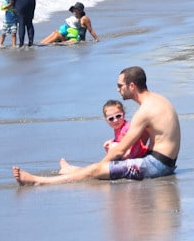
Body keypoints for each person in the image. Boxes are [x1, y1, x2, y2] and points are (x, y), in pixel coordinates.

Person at [13, 66, 181, 185]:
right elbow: (145, 138)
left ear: (132, 86)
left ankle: (39, 181)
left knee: (96, 170)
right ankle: (73, 170)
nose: (118, 90)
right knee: (103, 167)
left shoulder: (144, 111)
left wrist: (102, 166)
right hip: (165, 161)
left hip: (156, 166)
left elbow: (121, 150)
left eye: (120, 86)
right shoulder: (159, 100)